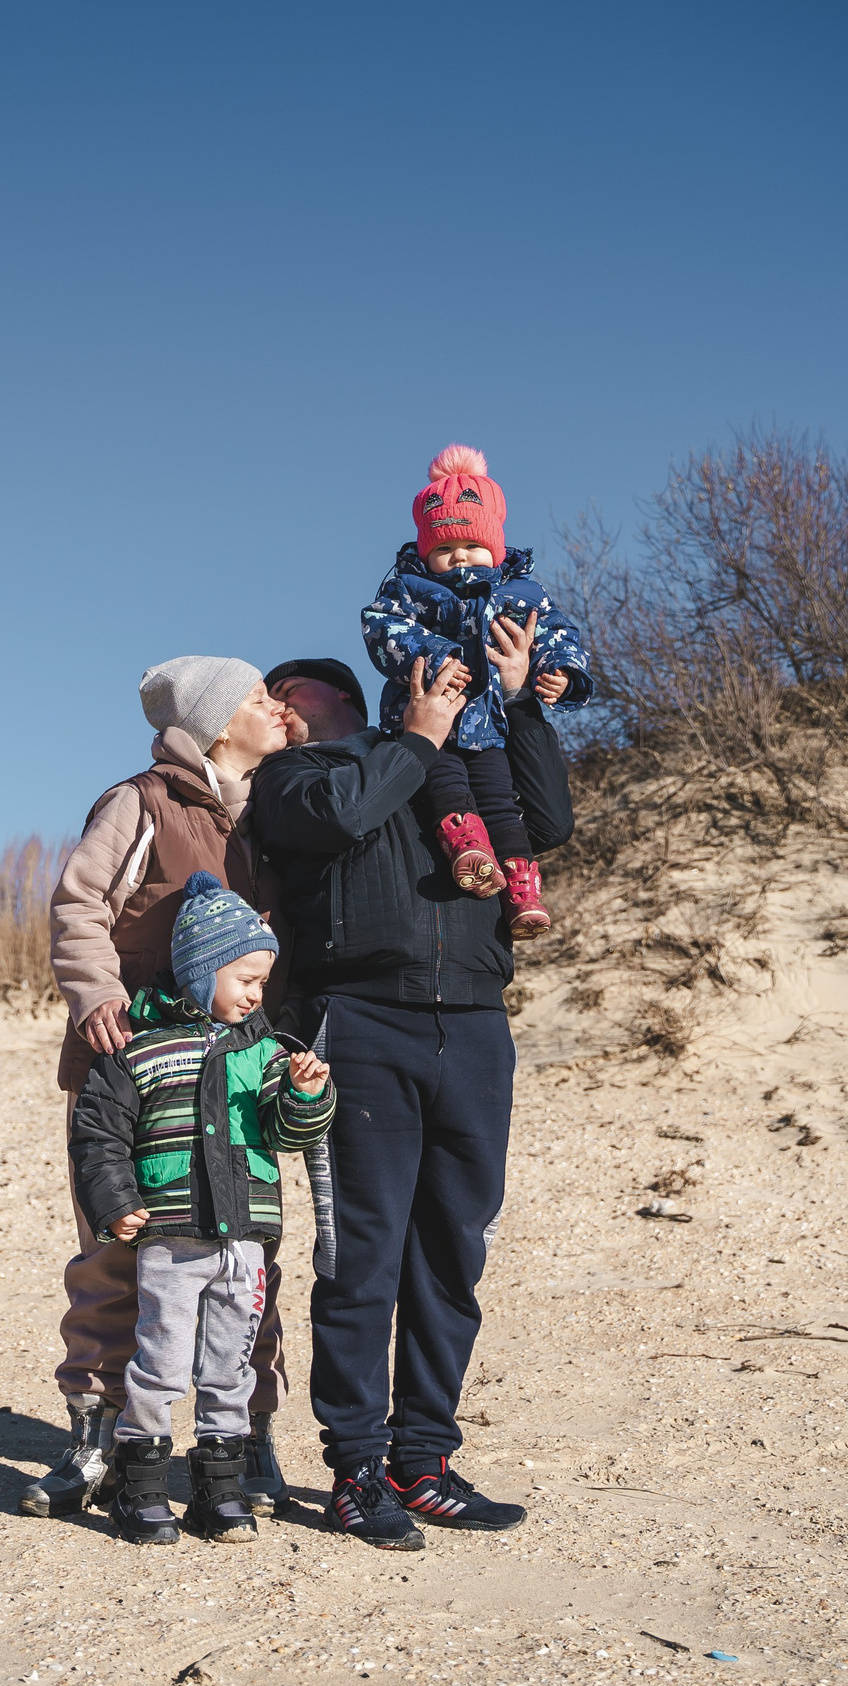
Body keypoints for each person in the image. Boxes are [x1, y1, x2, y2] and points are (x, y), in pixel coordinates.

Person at [248, 621, 574, 1553]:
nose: (279, 712)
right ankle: (355, 1467)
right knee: (362, 1256)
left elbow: (545, 824)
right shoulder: (295, 779)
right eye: (271, 703)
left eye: (292, 697)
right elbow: (338, 818)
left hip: (474, 1025)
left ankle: (422, 1459)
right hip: (363, 1024)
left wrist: (514, 708)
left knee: (452, 1250)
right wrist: (418, 739)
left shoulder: (451, 768)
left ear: (348, 696)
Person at [21, 656, 294, 1520]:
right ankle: (95, 1436)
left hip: (233, 1075)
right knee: (118, 1247)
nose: (275, 706)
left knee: (248, 1255)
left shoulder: (267, 817)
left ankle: (247, 1432)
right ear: (217, 726)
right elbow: (80, 902)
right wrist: (97, 994)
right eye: (257, 698)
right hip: (130, 1064)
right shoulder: (139, 801)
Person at [67, 873, 335, 1544]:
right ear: (199, 967)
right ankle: (143, 1487)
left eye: (262, 981)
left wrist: (304, 1097)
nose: (256, 992)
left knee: (230, 1366)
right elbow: (100, 1136)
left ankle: (219, 1489)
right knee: (158, 1361)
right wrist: (119, 1204)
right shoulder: (140, 1050)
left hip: (245, 1243)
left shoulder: (268, 1054)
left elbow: (291, 1136)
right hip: (172, 1238)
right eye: (244, 976)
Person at [359, 445, 590, 937]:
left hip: (492, 725)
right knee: (444, 778)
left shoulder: (522, 593)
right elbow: (383, 630)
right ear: (426, 553)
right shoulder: (410, 588)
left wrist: (561, 673)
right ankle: (465, 840)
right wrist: (436, 655)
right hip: (430, 714)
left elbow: (555, 632)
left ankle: (518, 883)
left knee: (500, 796)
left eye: (471, 545)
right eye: (443, 550)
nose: (459, 556)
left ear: (497, 547)